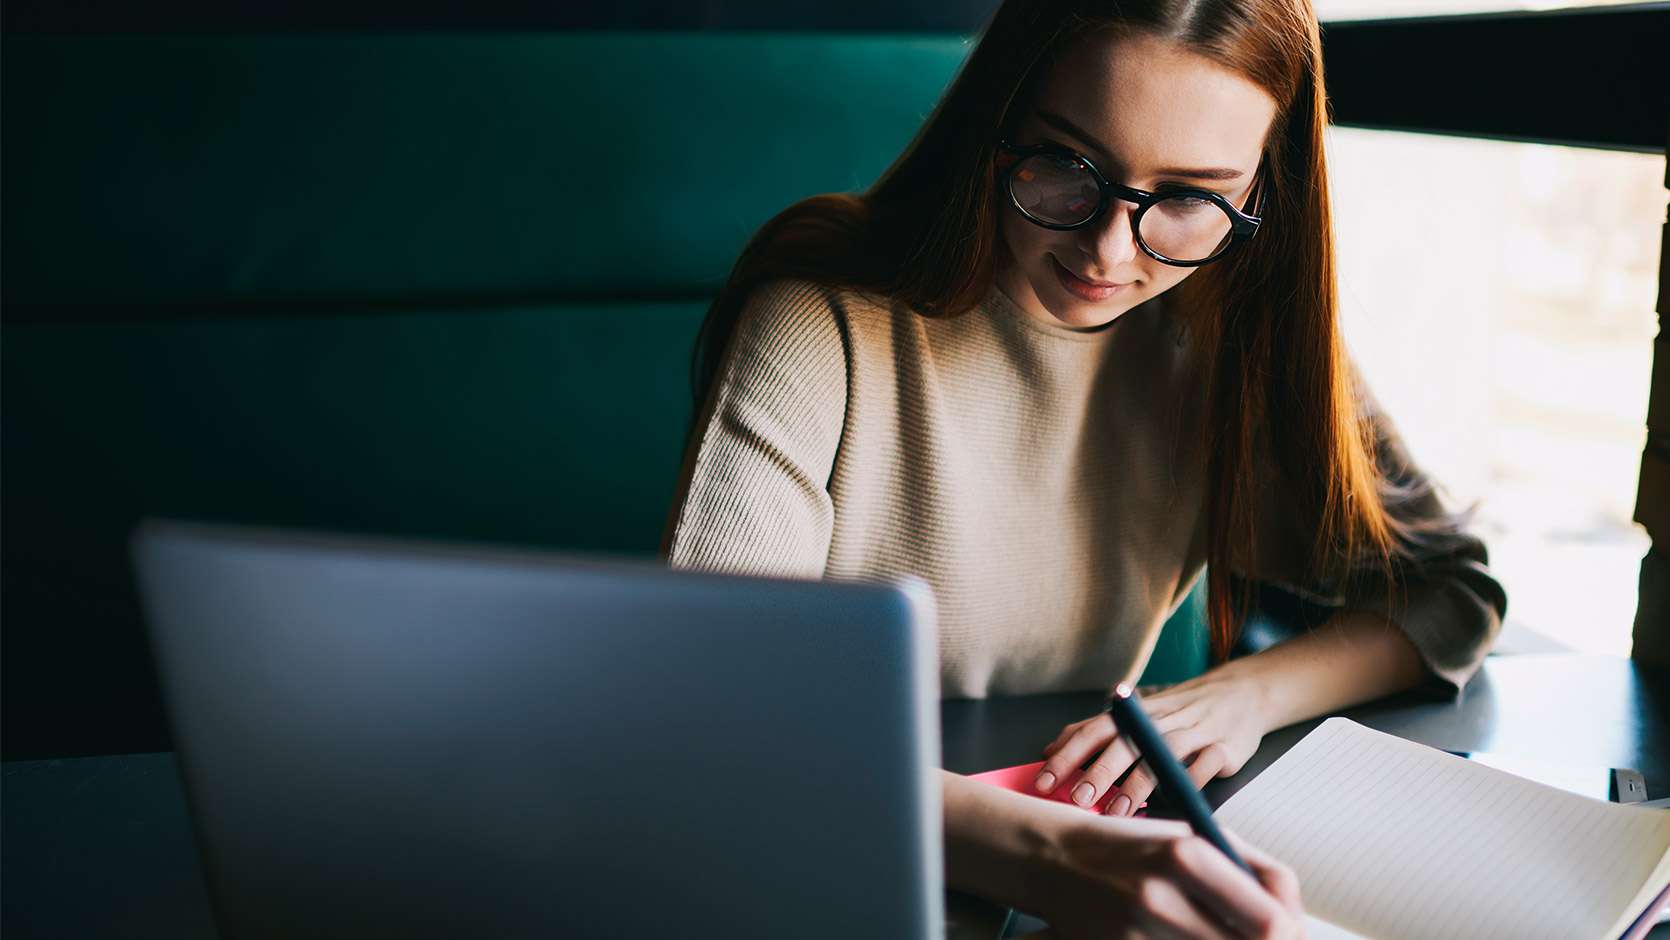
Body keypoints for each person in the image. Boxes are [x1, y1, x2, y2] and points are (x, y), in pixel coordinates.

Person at [663, 0, 1507, 936]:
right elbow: (719, 712)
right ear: (1000, 124)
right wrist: (1053, 854)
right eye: (1069, 168)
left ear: (1261, 192)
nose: (1107, 252)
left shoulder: (1233, 344)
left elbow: (1450, 589)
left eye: (1187, 199)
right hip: (823, 856)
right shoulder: (820, 319)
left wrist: (1242, 694)